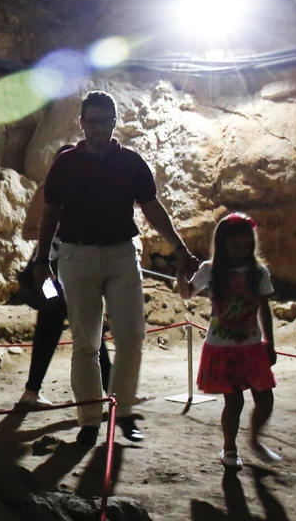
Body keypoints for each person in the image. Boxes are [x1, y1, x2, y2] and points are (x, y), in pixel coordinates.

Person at [30, 91, 197, 445]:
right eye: (93, 120)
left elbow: (152, 208)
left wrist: (179, 247)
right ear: (82, 123)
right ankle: (90, 420)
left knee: (132, 338)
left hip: (121, 254)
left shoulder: (131, 163)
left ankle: (122, 412)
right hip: (77, 255)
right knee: (86, 343)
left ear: (114, 122)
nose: (100, 127)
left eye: (106, 120)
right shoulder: (65, 164)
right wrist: (43, 259)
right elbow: (50, 212)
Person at [177, 211, 280, 469]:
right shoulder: (210, 270)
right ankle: (230, 448)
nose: (240, 251)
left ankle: (255, 439)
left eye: (246, 246)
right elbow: (187, 293)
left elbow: (263, 308)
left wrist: (270, 342)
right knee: (234, 401)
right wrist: (180, 271)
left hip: (252, 347)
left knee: (265, 399)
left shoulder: (259, 272)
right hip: (222, 348)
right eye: (234, 246)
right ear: (222, 244)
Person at [17, 177, 112, 409]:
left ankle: (32, 391)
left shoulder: (85, 192)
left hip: (74, 268)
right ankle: (114, 392)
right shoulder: (46, 190)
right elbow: (27, 231)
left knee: (84, 323)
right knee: (58, 318)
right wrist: (55, 229)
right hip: (49, 270)